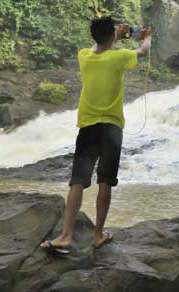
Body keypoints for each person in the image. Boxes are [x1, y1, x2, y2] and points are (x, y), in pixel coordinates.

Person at [40, 16, 151, 255]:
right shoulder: (119, 57)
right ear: (112, 36)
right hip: (111, 128)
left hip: (88, 126)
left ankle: (66, 236)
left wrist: (113, 38)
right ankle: (99, 234)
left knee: (78, 181)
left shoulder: (84, 56)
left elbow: (96, 48)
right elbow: (143, 51)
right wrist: (147, 37)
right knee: (105, 181)